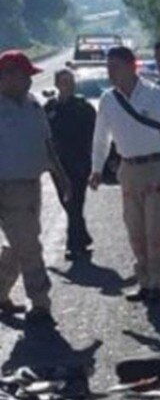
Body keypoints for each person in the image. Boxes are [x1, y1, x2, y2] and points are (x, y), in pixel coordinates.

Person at [89, 46, 160, 305]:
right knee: (135, 229)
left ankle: (158, 283)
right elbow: (100, 138)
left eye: (115, 66)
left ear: (131, 67)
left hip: (156, 167)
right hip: (129, 170)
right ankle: (144, 281)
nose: (110, 72)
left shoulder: (153, 94)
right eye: (108, 67)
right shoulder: (108, 100)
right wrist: (96, 169)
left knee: (157, 228)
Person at [0, 50, 71, 325]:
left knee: (19, 245)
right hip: (7, 187)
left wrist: (62, 177)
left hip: (31, 186)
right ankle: (40, 303)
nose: (30, 81)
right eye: (24, 75)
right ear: (6, 76)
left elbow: (47, 146)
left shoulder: (32, 105)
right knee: (29, 246)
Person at [44, 69, 97, 260]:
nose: (69, 85)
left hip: (79, 162)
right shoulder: (50, 108)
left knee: (75, 201)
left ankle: (73, 244)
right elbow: (42, 136)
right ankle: (82, 238)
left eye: (71, 81)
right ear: (57, 84)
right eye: (65, 81)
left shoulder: (83, 107)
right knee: (67, 203)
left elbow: (96, 134)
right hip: (58, 164)